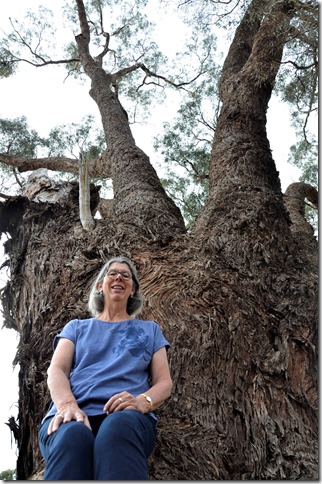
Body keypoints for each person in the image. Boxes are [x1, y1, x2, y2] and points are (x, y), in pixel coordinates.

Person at [38, 255, 173, 480]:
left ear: (132, 290)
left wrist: (142, 401)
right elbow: (57, 369)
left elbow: (164, 382)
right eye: (112, 273)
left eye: (126, 275)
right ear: (100, 285)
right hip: (71, 415)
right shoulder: (77, 328)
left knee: (117, 429)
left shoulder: (150, 330)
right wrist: (67, 405)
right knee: (74, 435)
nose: (119, 276)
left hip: (127, 418)